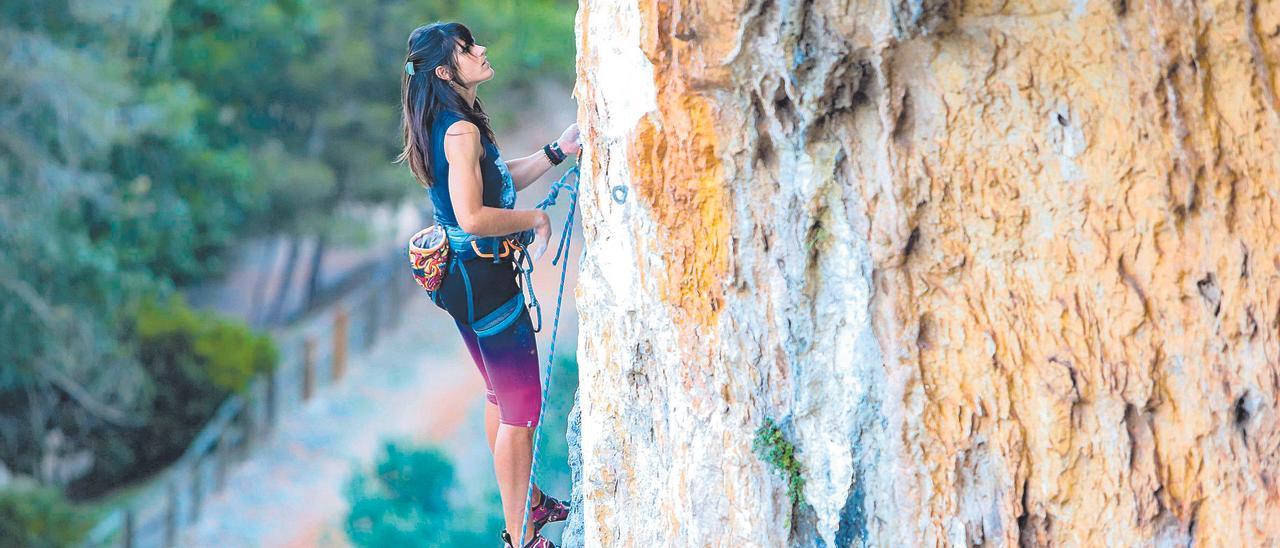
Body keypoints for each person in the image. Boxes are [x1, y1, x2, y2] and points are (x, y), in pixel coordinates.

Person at [397, 21, 579, 548]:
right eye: (466, 49)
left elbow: (496, 183)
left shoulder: (454, 121)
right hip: (483, 277)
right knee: (522, 411)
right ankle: (521, 534)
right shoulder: (460, 130)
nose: (481, 50)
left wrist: (556, 151)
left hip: (465, 277)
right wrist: (534, 222)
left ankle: (532, 501)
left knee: (501, 396)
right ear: (444, 70)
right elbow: (474, 216)